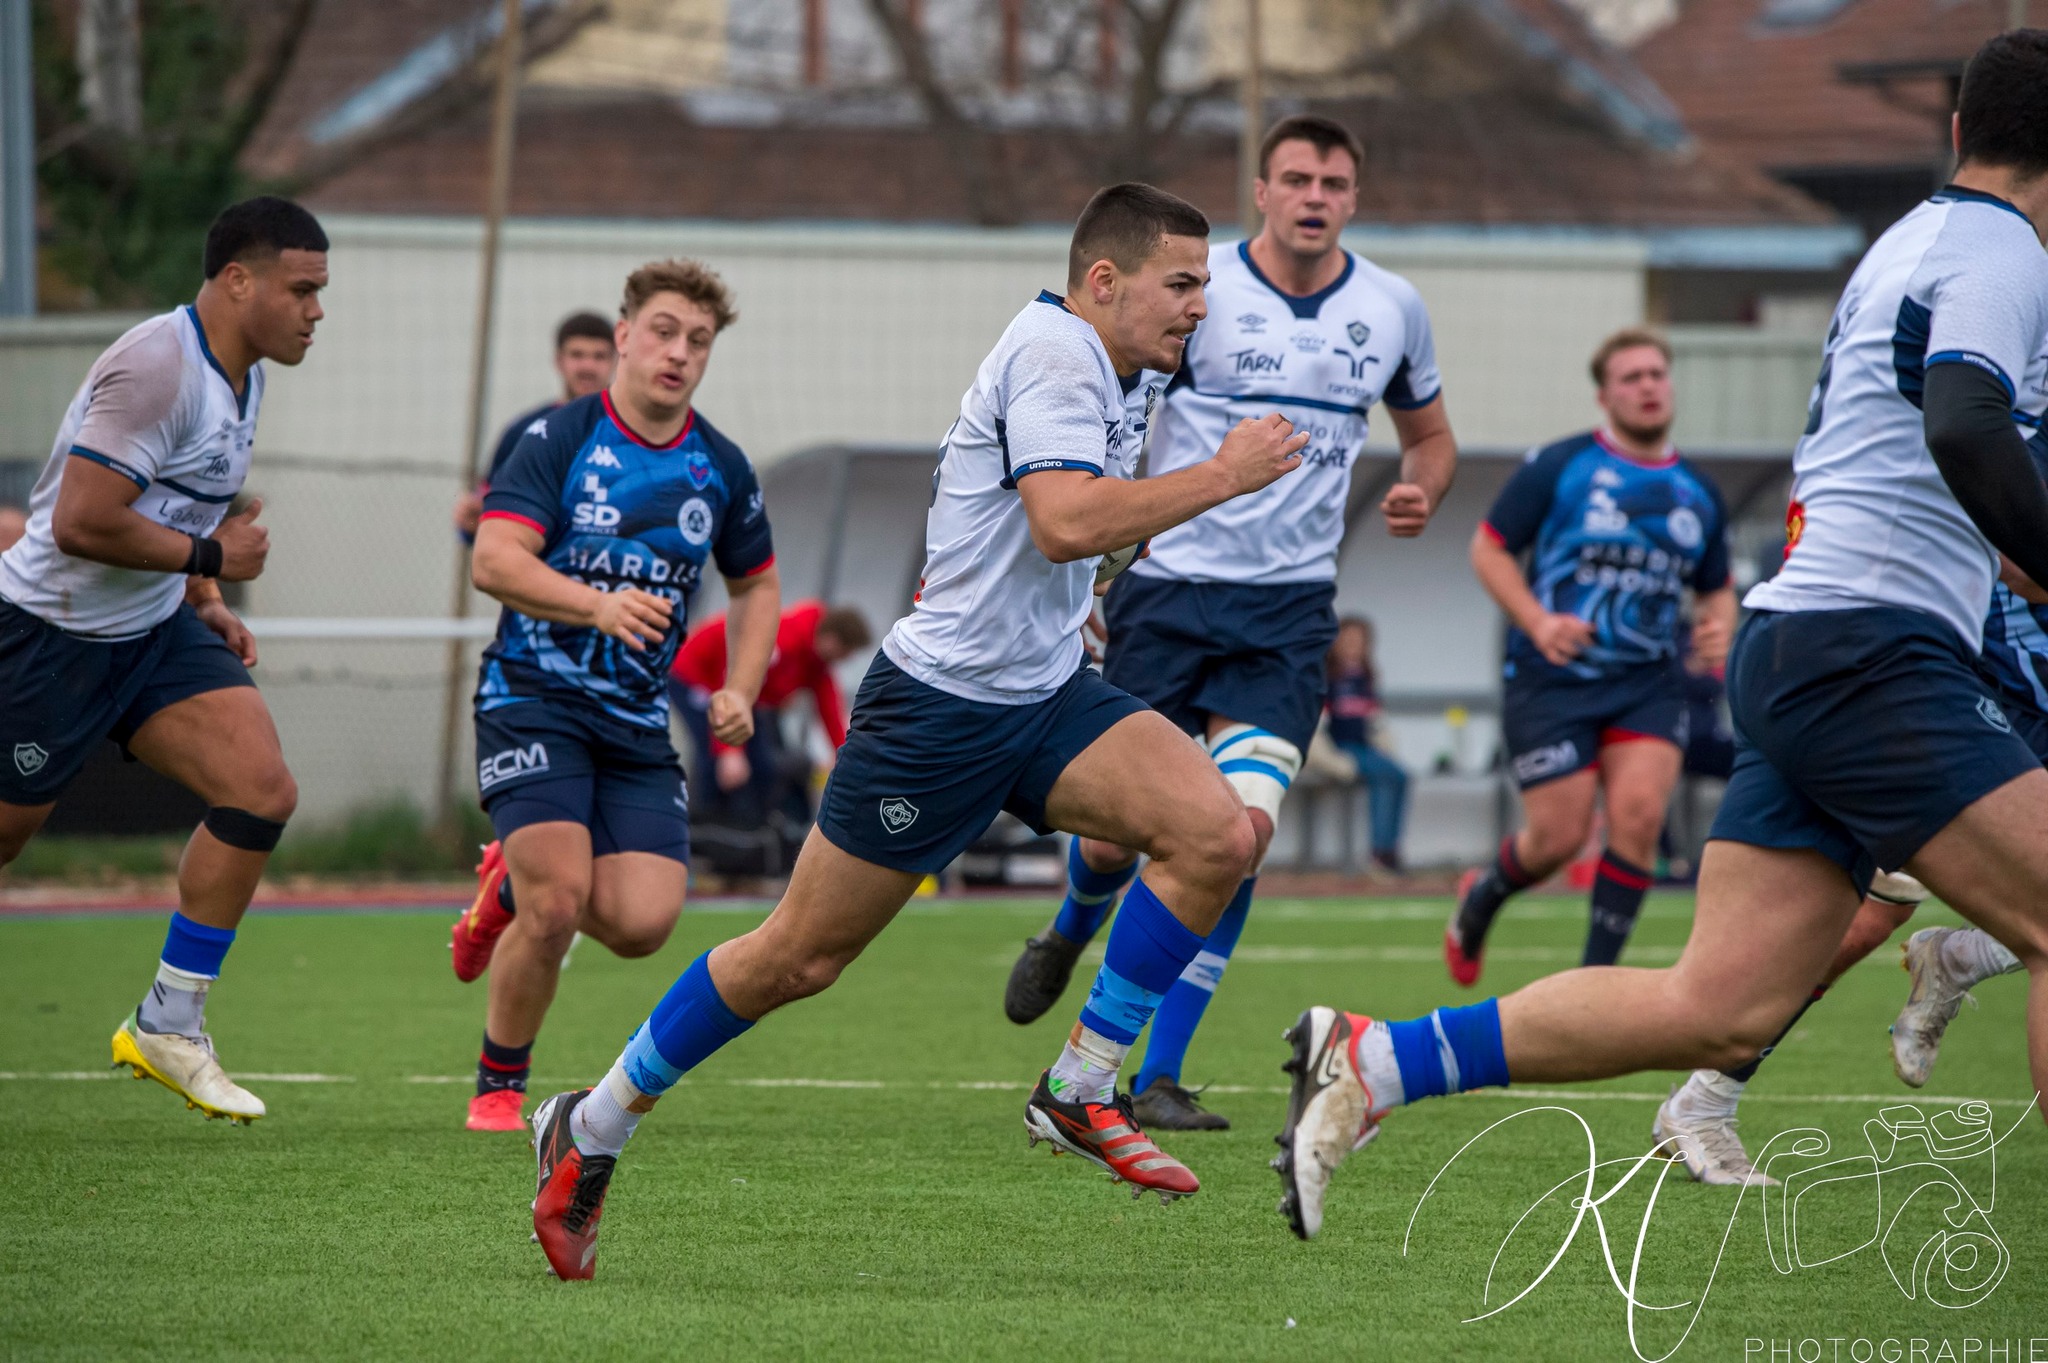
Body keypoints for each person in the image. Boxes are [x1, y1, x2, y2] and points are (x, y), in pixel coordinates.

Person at [1271, 29, 2048, 1242]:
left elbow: (1921, 451)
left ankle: (1376, 1062)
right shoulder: (2004, 252)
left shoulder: (1910, 239)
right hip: (1865, 652)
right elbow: (1961, 418)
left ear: (1955, 134)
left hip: (1802, 640)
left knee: (1715, 1008)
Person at [523, 182, 1313, 1280]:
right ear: (1103, 282)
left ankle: (1079, 1088)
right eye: (1180, 283)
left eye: (1204, 285)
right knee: (798, 958)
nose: (1199, 305)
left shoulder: (1126, 367)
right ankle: (592, 1121)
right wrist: (1218, 479)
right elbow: (1061, 520)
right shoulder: (1052, 353)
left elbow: (1062, 535)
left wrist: (1085, 590)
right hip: (936, 711)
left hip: (1041, 693)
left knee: (1219, 835)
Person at [1001, 116, 1458, 1133]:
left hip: (1288, 610)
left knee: (1238, 834)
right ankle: (1076, 918)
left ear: (1352, 194)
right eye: (1294, 177)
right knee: (1119, 844)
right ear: (1261, 189)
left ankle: (1151, 1070)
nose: (1312, 196)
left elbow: (1428, 437)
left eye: (1331, 182)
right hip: (1168, 590)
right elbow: (1110, 410)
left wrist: (1421, 488)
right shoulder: (1196, 290)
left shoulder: (1391, 308)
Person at [0, 197, 328, 1123]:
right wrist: (217, 560)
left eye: (319, 293)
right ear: (238, 281)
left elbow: (179, 508)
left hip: (151, 630)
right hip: (47, 636)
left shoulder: (245, 373)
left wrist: (208, 601)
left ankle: (168, 1023)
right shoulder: (157, 365)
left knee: (260, 786)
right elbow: (79, 521)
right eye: (301, 290)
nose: (315, 311)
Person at [444, 259, 780, 1134]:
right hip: (533, 699)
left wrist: (741, 687)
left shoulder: (720, 466)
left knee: (642, 924)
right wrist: (595, 602)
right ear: (625, 336)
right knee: (559, 901)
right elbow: (493, 560)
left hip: (634, 721)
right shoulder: (557, 439)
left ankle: (506, 884)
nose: (679, 353)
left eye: (698, 341)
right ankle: (499, 1084)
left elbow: (758, 588)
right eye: (663, 332)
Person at [1445, 329, 1737, 983]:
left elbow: (1716, 588)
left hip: (1649, 682)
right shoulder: (1561, 465)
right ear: (1605, 395)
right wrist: (1539, 620)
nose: (1648, 386)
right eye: (1631, 377)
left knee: (1638, 818)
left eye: (1657, 373)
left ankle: (1590, 985)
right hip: (1552, 679)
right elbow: (1488, 549)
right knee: (1559, 837)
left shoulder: (1699, 491)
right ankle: (1483, 895)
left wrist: (1719, 628)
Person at [670, 600, 871, 824]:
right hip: (696, 678)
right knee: (713, 755)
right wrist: (729, 751)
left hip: (741, 697)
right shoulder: (782, 642)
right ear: (832, 640)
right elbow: (731, 683)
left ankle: (742, 832)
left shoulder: (817, 662)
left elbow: (829, 710)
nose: (844, 660)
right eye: (845, 653)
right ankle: (698, 827)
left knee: (762, 763)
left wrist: (842, 757)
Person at [452, 312, 616, 540]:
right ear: (559, 360)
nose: (588, 365)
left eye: (599, 356)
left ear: (616, 361)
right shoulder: (527, 430)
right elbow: (486, 516)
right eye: (577, 355)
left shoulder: (633, 431)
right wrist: (471, 522)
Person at [1325, 615, 1409, 874]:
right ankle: (1379, 853)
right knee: (1386, 775)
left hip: (1364, 748)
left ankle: (1390, 849)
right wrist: (1330, 760)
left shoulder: (1366, 677)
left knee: (1401, 776)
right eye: (1347, 639)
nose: (1352, 645)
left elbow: (1375, 723)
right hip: (1340, 748)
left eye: (1359, 641)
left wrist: (1387, 748)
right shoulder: (1327, 678)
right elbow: (1318, 728)